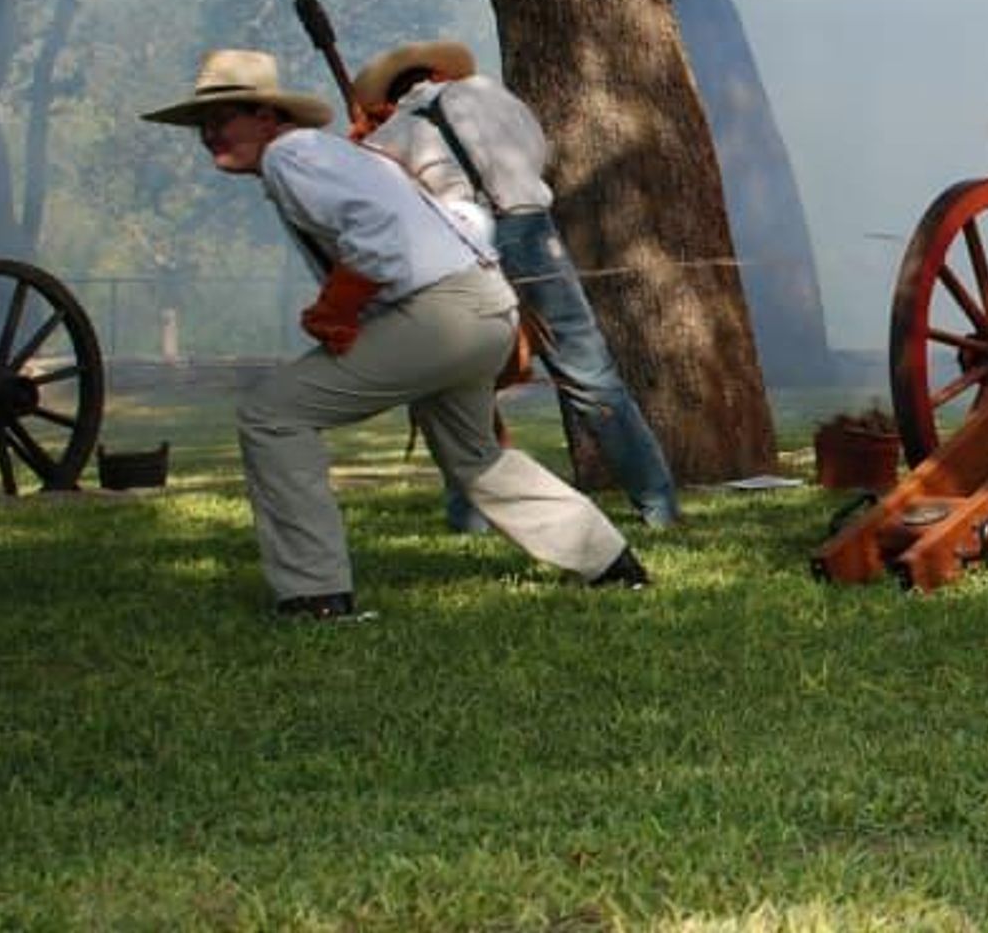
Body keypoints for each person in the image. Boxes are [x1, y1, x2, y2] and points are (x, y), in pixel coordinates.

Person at [142, 48, 650, 618]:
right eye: (201, 125)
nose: (210, 133)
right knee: (475, 457)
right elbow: (446, 226)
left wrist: (337, 309)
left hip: (443, 314)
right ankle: (610, 562)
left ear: (267, 118)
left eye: (224, 117)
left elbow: (376, 235)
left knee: (273, 415)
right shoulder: (331, 155)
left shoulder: (292, 155)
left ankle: (315, 595)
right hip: (478, 306)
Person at [351, 39, 683, 531]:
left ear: (390, 98)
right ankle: (658, 507)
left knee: (461, 385)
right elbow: (535, 151)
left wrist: (363, 147)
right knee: (591, 377)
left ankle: (473, 519)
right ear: (439, 74)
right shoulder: (489, 93)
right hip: (532, 228)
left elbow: (392, 208)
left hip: (459, 246)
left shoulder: (389, 140)